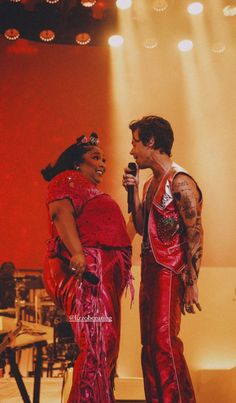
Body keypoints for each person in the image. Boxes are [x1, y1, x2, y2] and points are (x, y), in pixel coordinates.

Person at [41, 133, 133, 403]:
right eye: (95, 157)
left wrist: (134, 198)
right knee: (96, 345)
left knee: (107, 346)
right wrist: (78, 253)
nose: (102, 163)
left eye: (103, 158)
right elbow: (60, 213)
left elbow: (119, 236)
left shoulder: (92, 191)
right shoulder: (68, 180)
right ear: (77, 163)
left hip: (103, 274)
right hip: (88, 273)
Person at [122, 116, 203, 403]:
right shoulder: (150, 184)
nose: (132, 150)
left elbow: (194, 233)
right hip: (150, 270)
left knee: (164, 343)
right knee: (149, 346)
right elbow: (143, 227)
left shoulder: (180, 182)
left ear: (151, 142)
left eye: (135, 142)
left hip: (171, 270)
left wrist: (192, 283)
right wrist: (133, 190)